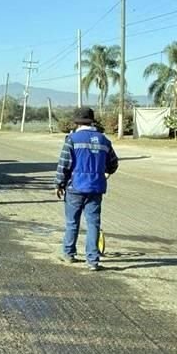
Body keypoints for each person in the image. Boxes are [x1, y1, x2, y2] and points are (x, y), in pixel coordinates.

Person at [54, 107, 118, 271]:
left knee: (72, 222)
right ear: (92, 121)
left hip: (75, 186)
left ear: (76, 122)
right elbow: (113, 163)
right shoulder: (104, 140)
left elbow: (64, 165)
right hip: (96, 187)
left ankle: (69, 254)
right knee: (93, 224)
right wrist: (105, 173)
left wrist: (59, 184)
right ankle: (93, 261)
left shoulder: (72, 139)